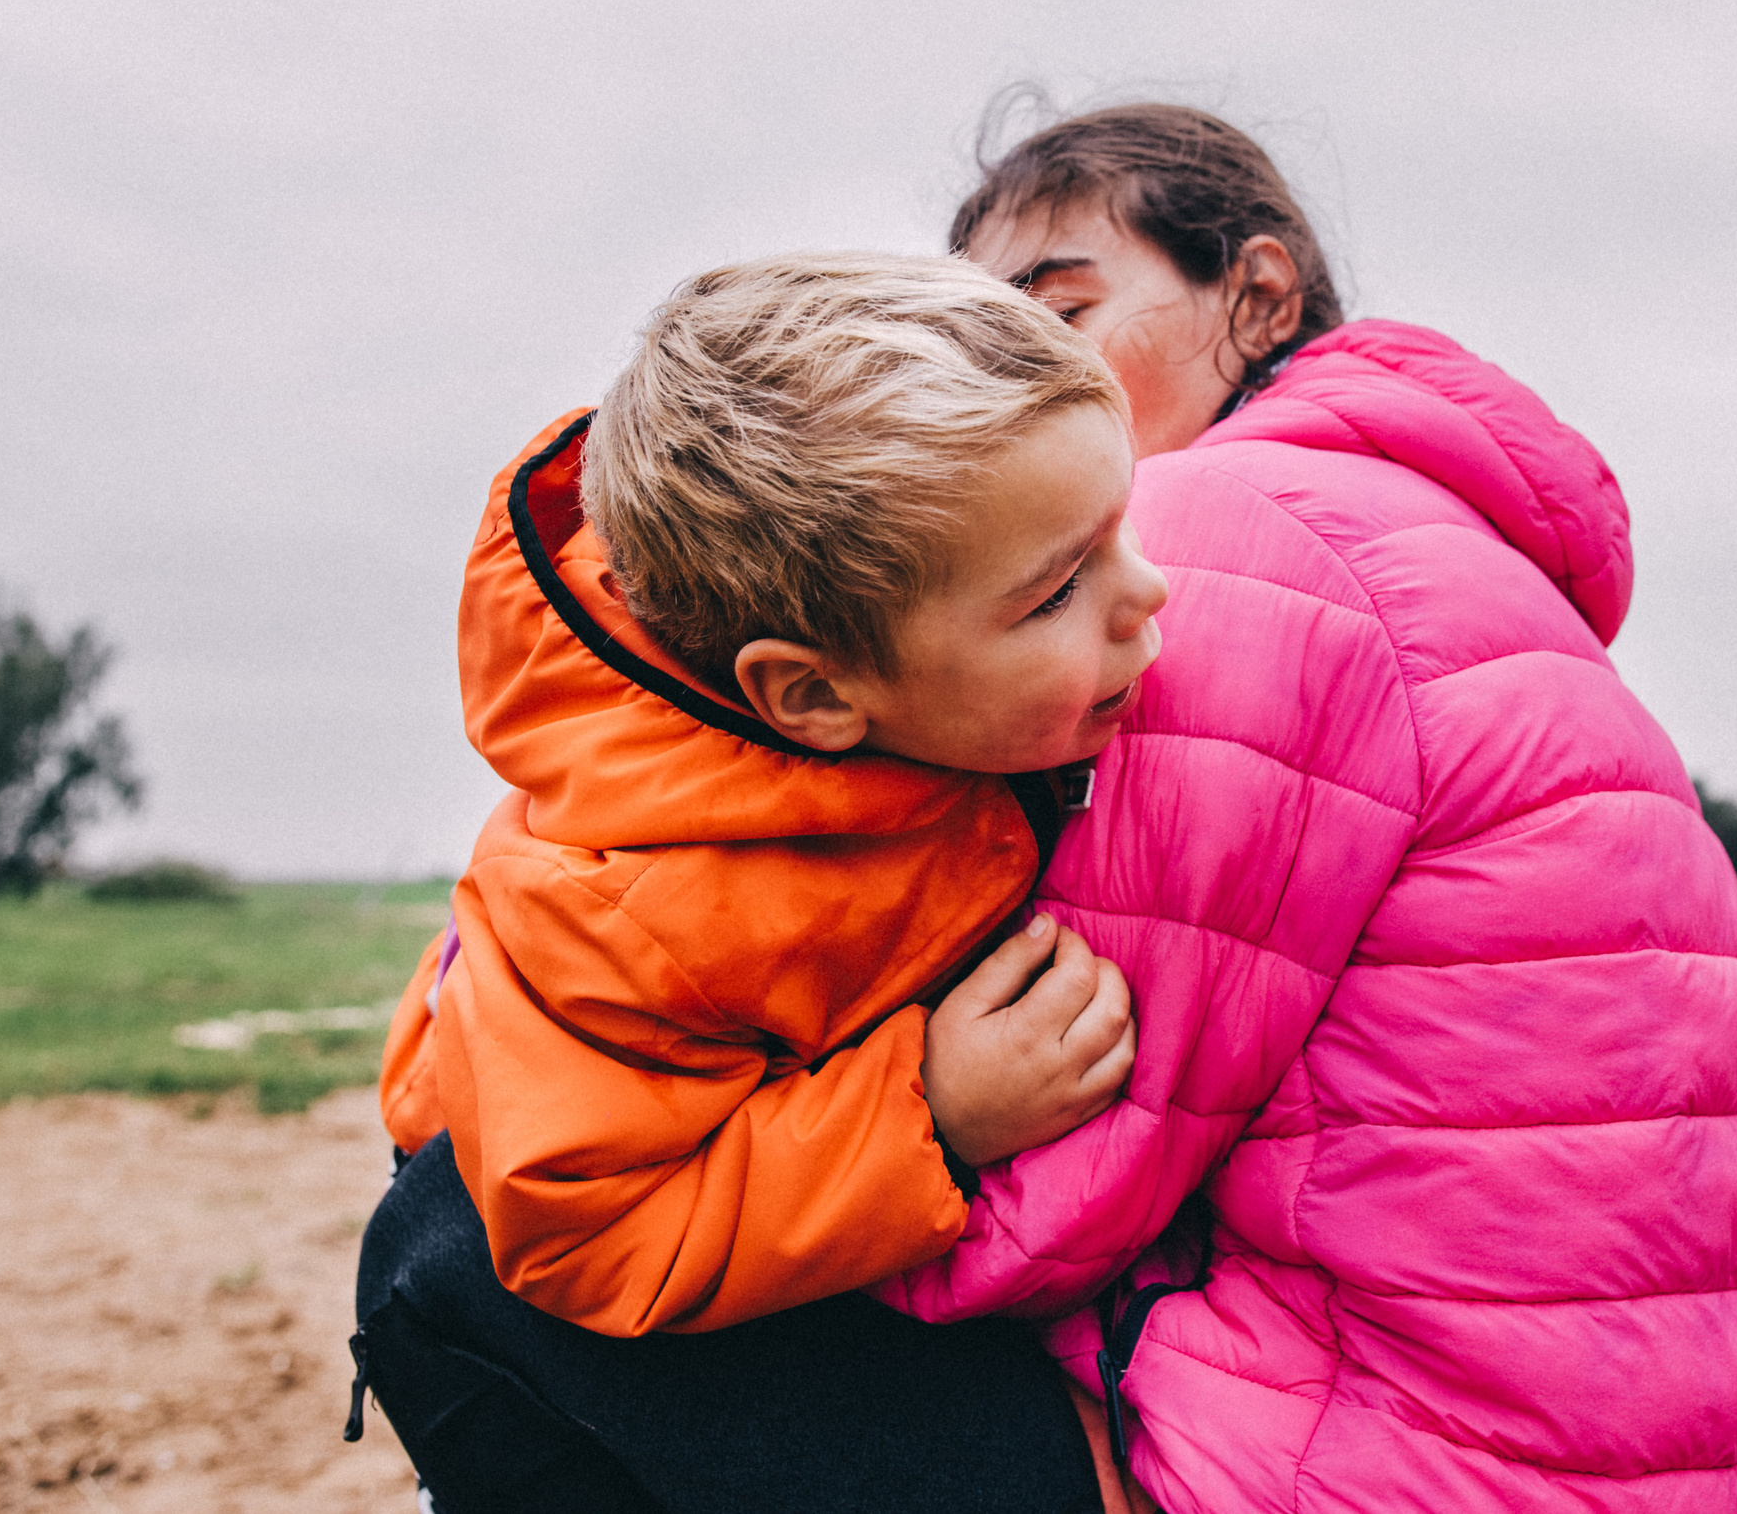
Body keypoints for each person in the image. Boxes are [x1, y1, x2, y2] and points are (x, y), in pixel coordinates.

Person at [870, 103, 1737, 1511]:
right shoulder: (1447, 545)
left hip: (1382, 1462)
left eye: (1056, 314)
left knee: (496, 1262)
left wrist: (808, 1170)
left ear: (1257, 296)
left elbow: (1061, 1197)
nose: (1008, 383)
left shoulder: (1223, 538)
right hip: (1651, 1463)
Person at [354, 252, 1166, 1513]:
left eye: (1123, 532)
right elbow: (581, 1228)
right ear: (814, 696)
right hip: (554, 1290)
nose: (1146, 594)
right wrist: (929, 1115)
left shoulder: (926, 706)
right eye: (1057, 589)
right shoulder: (628, 908)